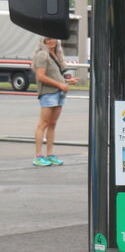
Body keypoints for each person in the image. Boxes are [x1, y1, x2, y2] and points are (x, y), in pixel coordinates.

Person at [32, 37, 77, 167]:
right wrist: (60, 84)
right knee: (43, 124)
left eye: (53, 39)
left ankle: (50, 154)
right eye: (48, 39)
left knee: (52, 124)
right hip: (48, 93)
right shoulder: (42, 54)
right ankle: (38, 156)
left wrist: (67, 82)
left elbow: (54, 75)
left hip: (58, 93)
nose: (51, 41)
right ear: (43, 41)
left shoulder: (55, 55)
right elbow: (40, 76)